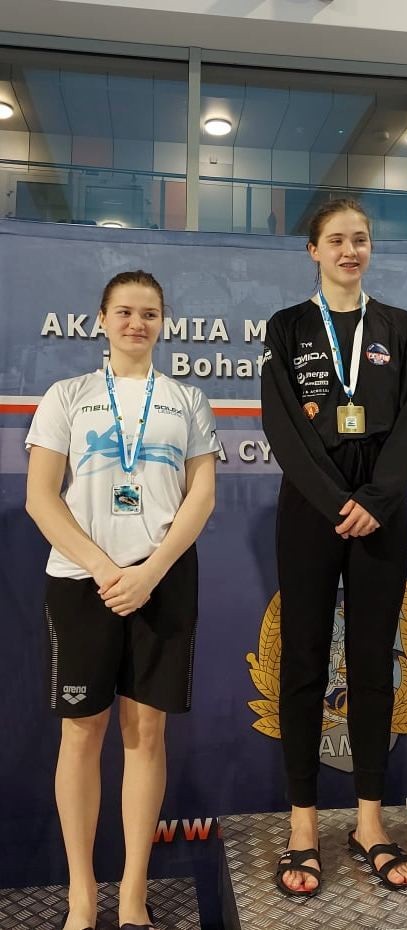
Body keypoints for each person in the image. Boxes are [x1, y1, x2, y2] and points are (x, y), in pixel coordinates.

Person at [25, 270, 222, 930]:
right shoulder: (67, 396)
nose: (138, 323)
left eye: (150, 313)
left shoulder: (187, 399)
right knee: (81, 733)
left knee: (147, 733)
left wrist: (149, 571)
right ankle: (82, 897)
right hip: (83, 583)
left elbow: (201, 496)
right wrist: (107, 569)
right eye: (125, 312)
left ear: (163, 322)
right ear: (102, 320)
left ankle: (134, 892)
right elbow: (40, 497)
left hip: (161, 584)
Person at [261, 199, 407, 897]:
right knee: (302, 662)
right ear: (314, 250)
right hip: (311, 507)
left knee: (372, 664)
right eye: (336, 240)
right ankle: (303, 826)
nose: (349, 250)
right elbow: (281, 425)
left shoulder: (400, 327)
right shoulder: (287, 326)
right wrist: (336, 503)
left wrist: (376, 500)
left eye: (360, 239)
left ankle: (368, 822)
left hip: (381, 510)